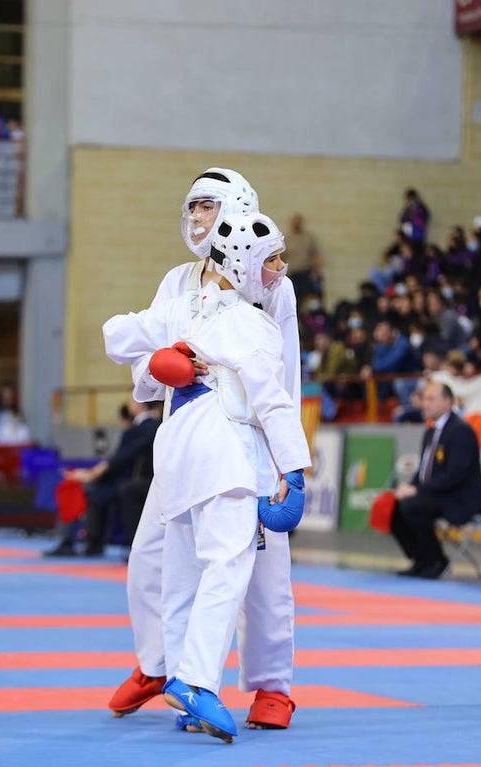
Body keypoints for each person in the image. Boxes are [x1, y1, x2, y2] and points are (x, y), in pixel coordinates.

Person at [106, 168, 305, 732]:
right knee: (153, 561)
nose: (194, 217)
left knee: (262, 572)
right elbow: (146, 359)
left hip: (250, 438)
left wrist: (287, 459)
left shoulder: (273, 283)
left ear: (237, 209)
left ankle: (272, 685)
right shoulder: (177, 281)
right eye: (190, 207)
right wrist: (165, 366)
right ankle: (162, 667)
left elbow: (280, 372)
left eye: (205, 206)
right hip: (185, 435)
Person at [387, 381, 481, 579]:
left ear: (448, 402)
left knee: (412, 506)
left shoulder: (460, 431)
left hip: (458, 498)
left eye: (431, 399)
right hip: (438, 494)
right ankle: (422, 559)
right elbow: (424, 471)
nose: (424, 404)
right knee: (393, 506)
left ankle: (437, 561)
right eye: (423, 399)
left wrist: (418, 491)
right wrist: (410, 486)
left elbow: (454, 475)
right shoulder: (431, 432)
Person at [44, 398, 160, 557]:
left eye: (131, 401)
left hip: (130, 479)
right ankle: (91, 541)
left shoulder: (147, 427)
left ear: (140, 403)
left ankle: (72, 541)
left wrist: (93, 474)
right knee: (88, 489)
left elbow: (124, 457)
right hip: (125, 477)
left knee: (86, 488)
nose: (128, 404)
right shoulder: (143, 426)